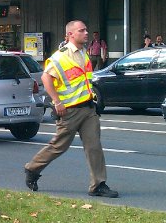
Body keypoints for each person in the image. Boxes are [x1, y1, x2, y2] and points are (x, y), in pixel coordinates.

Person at [24, 20, 119, 198]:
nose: (86, 33)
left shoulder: (84, 52)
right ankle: (32, 169)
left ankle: (98, 185)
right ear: (70, 35)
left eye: (86, 29)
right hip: (69, 111)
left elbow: (84, 80)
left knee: (94, 146)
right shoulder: (60, 56)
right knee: (59, 146)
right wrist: (57, 102)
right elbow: (46, 79)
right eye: (81, 30)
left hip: (88, 109)